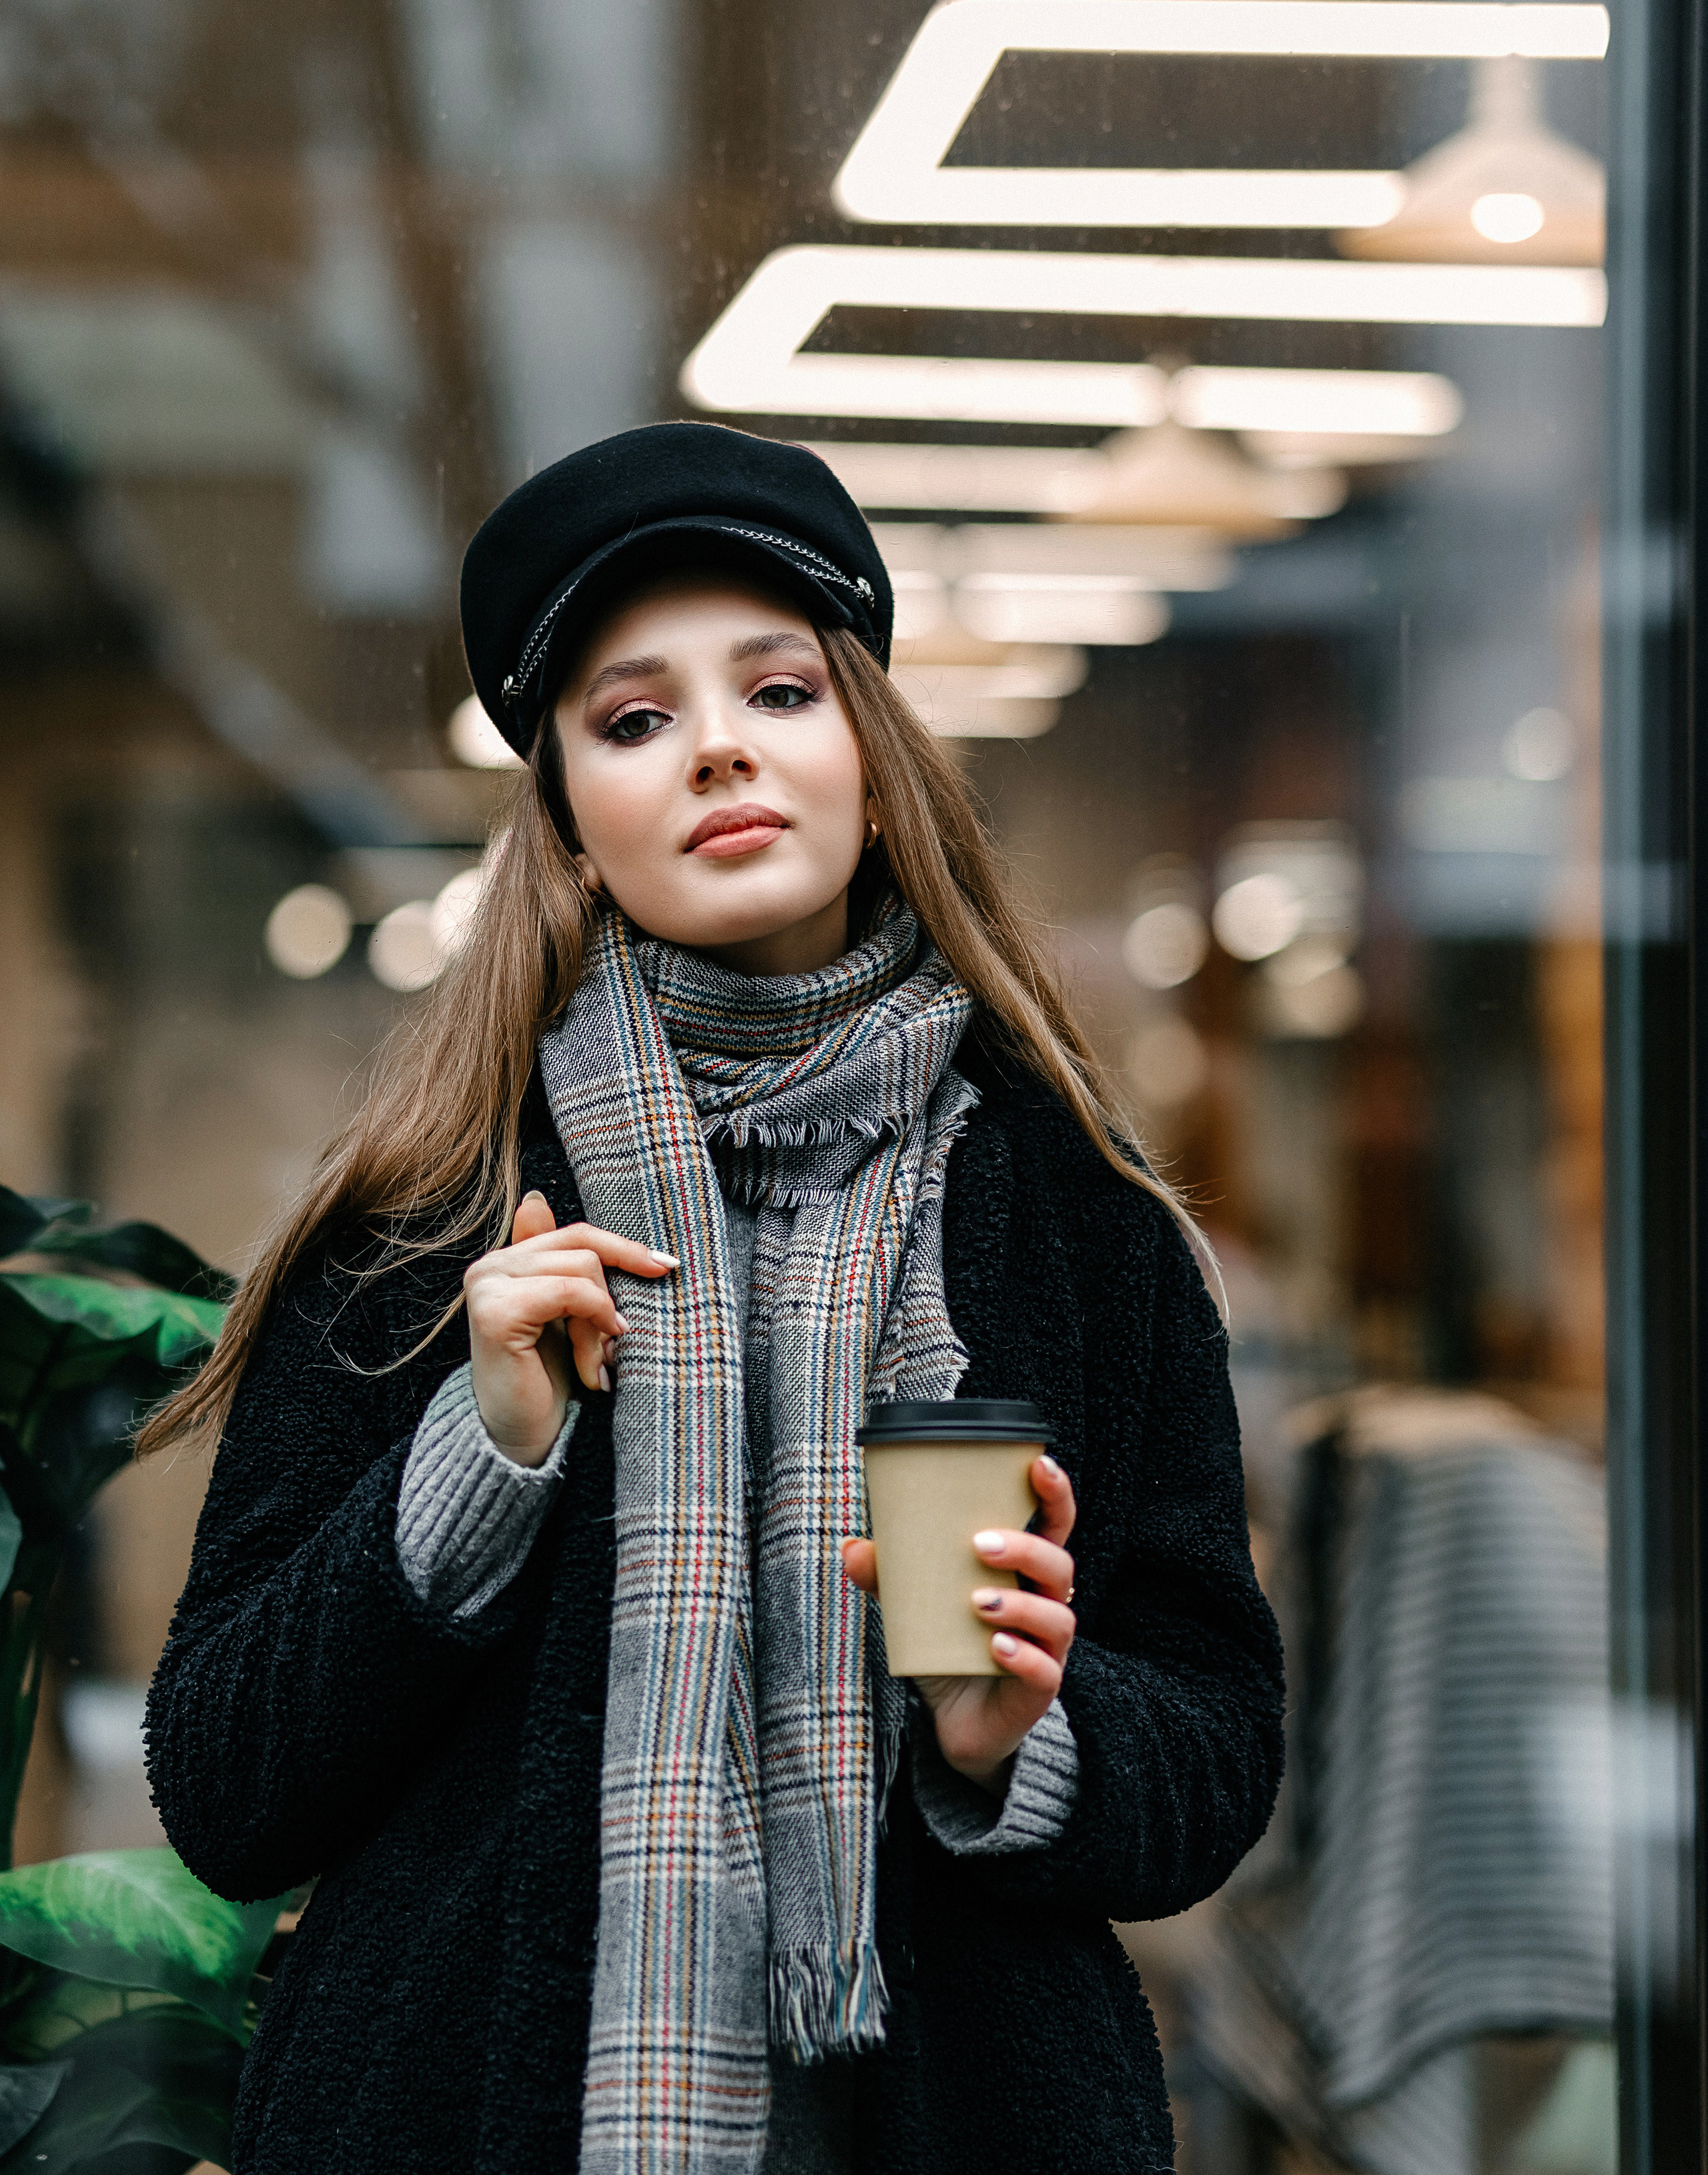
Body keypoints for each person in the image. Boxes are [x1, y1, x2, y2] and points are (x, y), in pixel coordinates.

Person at [142, 422, 1284, 2175]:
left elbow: (1214, 1751)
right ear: (574, 832)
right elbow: (225, 1787)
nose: (722, 750)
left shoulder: (1086, 1219)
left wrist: (1021, 1740)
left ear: (876, 767)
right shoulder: (429, 1221)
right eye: (635, 719)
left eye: (781, 691)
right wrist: (476, 1459)